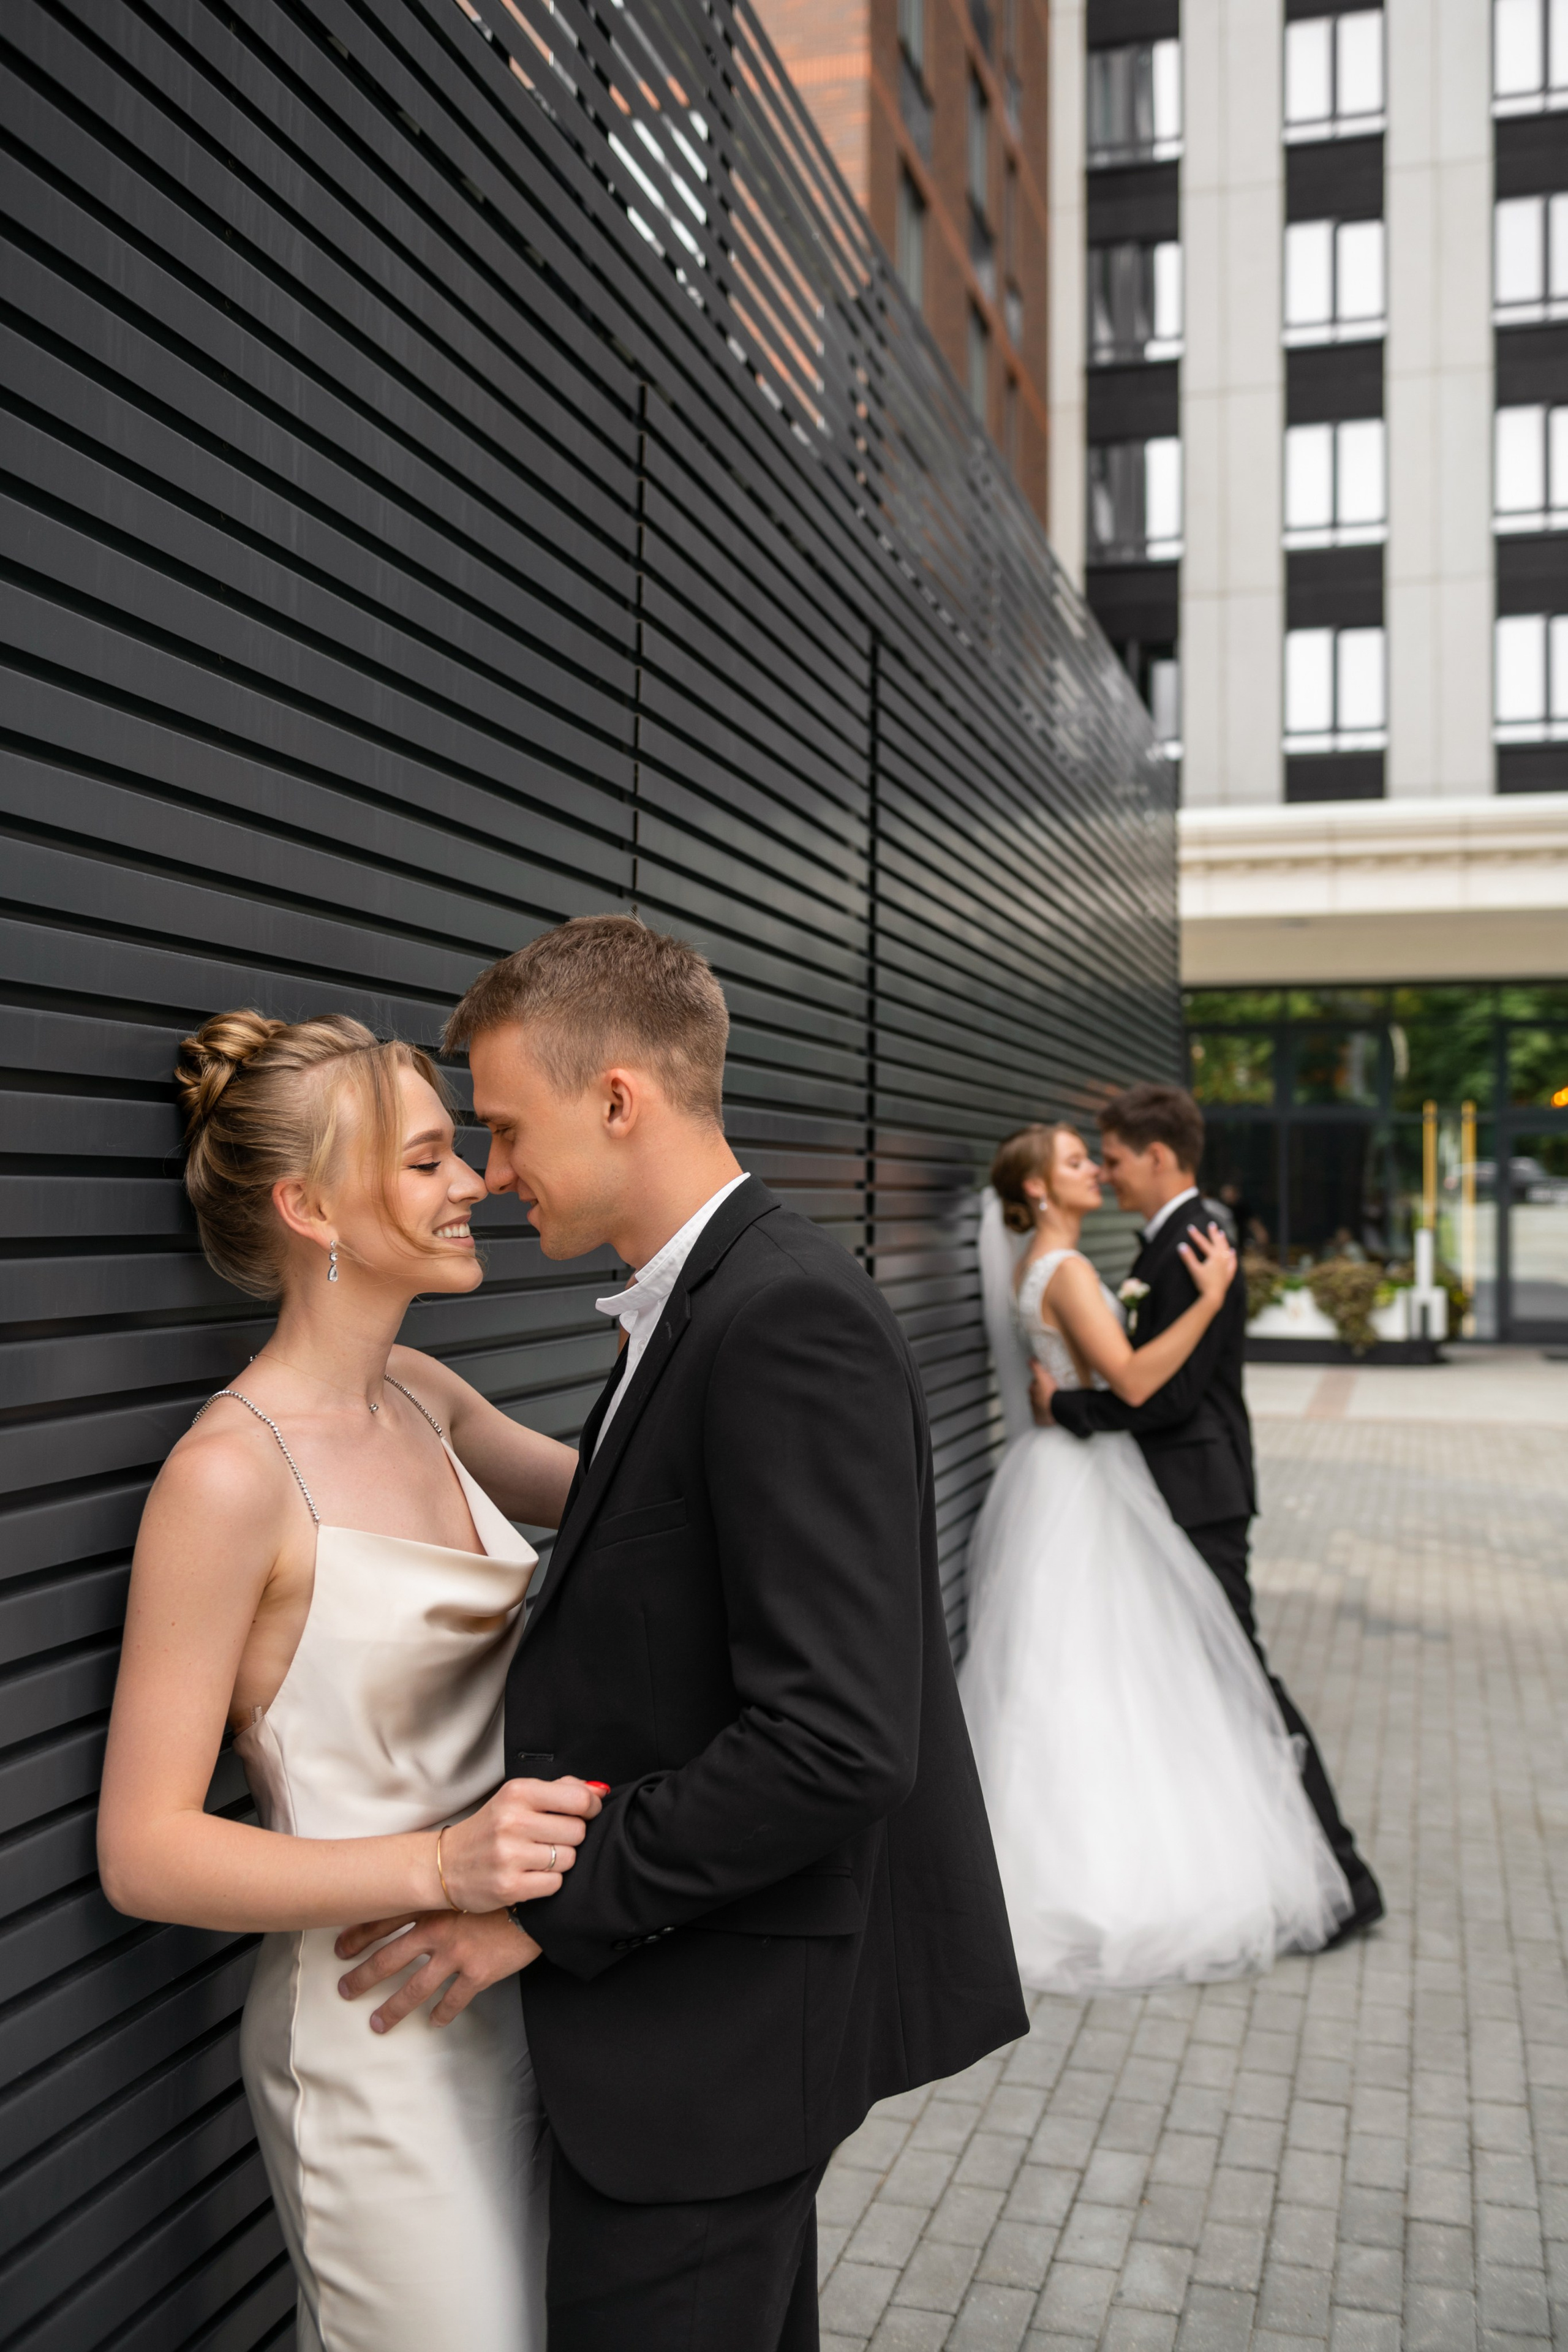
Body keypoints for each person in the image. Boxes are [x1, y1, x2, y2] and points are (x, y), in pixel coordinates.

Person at [334, 914, 1028, 2352]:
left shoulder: (781, 1322)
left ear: (617, 1100)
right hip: (710, 2032)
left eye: (510, 1130)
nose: (495, 1172)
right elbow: (671, 1542)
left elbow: (837, 1742)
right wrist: (428, 1410)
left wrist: (536, 1905)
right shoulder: (716, 1295)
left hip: (709, 2038)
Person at [98, 1011, 609, 2352]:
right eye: (431, 1161)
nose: (476, 1185)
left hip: (514, 1989)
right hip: (371, 2030)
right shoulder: (228, 1480)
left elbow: (649, 1506)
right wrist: (441, 1868)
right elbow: (146, 1853)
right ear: (310, 1206)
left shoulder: (428, 1398)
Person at [961, 1120, 1354, 1992]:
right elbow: (1135, 1381)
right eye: (1074, 1163)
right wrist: (1212, 1301)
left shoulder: (1052, 1268)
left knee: (1077, 1672)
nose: (1094, 1170)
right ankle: (1103, 1877)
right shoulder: (1062, 1271)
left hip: (1068, 1477)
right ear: (1035, 1191)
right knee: (1112, 1674)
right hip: (1083, 1483)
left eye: (1098, 1158)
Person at [1044, 1082, 1385, 1945]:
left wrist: (1072, 1411)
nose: (1110, 1175)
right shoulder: (1175, 1239)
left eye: (1115, 1159)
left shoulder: (1198, 1239)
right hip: (1182, 1494)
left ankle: (1343, 1878)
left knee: (1246, 1683)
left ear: (1160, 1156)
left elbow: (1170, 1396)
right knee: (1214, 1686)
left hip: (1200, 1495)